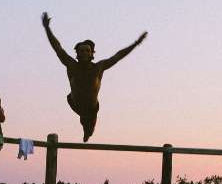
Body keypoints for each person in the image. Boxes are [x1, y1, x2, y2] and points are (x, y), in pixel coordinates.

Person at [41, 11, 147, 141]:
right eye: (81, 51)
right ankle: (86, 127)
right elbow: (57, 48)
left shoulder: (99, 67)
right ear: (77, 54)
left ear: (92, 54)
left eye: (87, 51)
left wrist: (136, 43)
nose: (84, 53)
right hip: (74, 103)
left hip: (92, 109)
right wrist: (47, 28)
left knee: (89, 129)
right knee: (83, 120)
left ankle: (87, 131)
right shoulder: (71, 65)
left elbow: (118, 55)